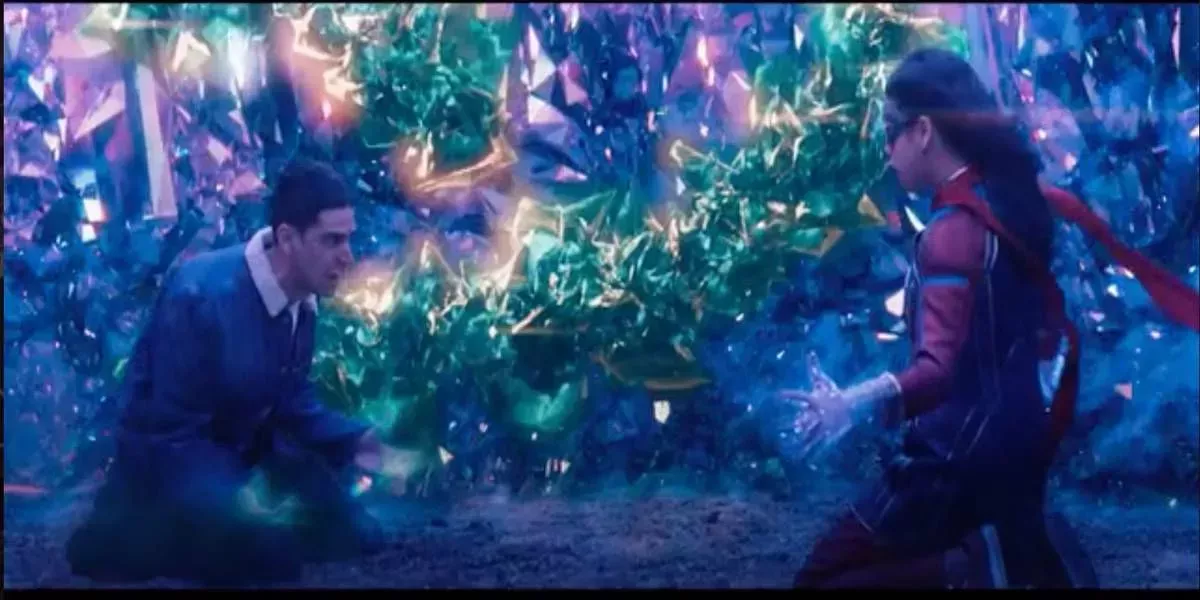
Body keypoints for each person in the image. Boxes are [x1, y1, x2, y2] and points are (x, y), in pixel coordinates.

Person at [782, 48, 1199, 589]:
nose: (886, 151)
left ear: (923, 132)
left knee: (818, 579)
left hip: (952, 466)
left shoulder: (953, 232)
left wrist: (849, 404)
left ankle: (981, 565)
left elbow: (937, 373)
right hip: (1014, 454)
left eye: (890, 132)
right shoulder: (1008, 203)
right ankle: (995, 557)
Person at [67, 159, 389, 585]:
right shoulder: (201, 295)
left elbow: (290, 400)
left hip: (243, 458)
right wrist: (243, 498)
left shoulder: (302, 299)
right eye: (332, 240)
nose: (347, 256)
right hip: (169, 469)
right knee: (271, 555)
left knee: (359, 533)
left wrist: (356, 439)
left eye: (348, 239)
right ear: (287, 238)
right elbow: (168, 436)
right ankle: (123, 534)